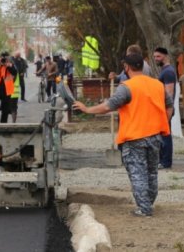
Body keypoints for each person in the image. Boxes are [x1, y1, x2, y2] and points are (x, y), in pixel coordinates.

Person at [73, 53, 171, 217]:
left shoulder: (127, 87)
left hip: (134, 138)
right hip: (155, 136)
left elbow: (108, 106)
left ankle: (144, 209)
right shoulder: (157, 85)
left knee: (138, 173)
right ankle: (148, 203)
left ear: (126, 67)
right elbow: (169, 106)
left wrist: (87, 109)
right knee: (152, 172)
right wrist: (163, 122)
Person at [153, 47, 177, 169]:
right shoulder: (165, 71)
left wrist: (167, 110)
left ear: (166, 56)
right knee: (162, 135)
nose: (156, 59)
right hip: (162, 108)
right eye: (155, 57)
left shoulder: (168, 72)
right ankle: (162, 161)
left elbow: (169, 93)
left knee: (165, 135)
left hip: (165, 109)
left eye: (158, 56)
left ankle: (166, 162)